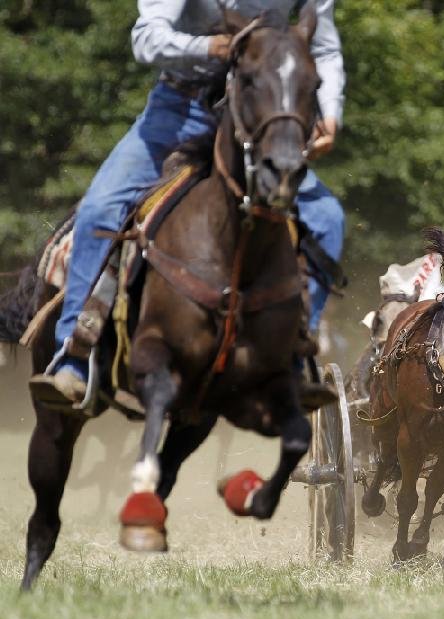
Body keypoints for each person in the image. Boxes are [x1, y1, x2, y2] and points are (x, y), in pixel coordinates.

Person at [30, 0, 346, 408]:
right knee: (99, 208)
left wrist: (331, 113)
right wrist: (207, 47)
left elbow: (324, 48)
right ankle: (74, 356)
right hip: (181, 111)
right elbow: (145, 38)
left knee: (327, 220)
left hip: (261, 118)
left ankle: (292, 357)